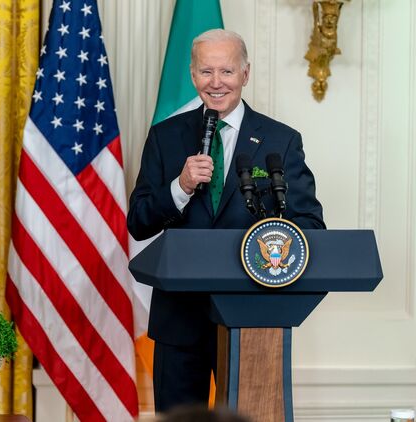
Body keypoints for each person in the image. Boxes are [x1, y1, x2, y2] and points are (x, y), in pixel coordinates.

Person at [127, 29, 324, 412]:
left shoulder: (280, 140)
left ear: (245, 74)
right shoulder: (165, 137)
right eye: (206, 71)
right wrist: (180, 187)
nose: (216, 82)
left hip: (254, 315)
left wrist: (270, 245)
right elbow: (138, 221)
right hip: (180, 319)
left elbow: (310, 225)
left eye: (227, 71)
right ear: (193, 75)